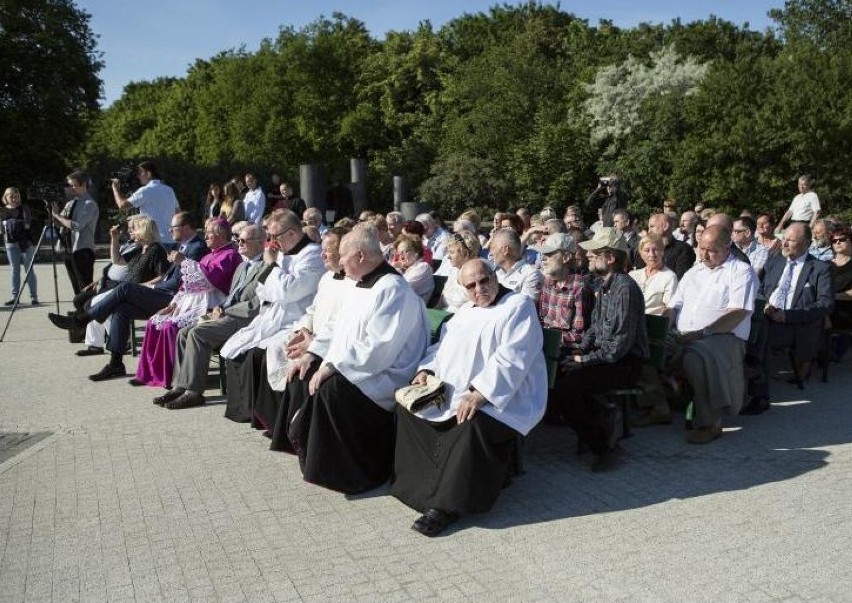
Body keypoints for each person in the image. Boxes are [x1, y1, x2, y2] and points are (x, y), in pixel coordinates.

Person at [391, 259, 547, 536]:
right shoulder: (464, 312)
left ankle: (447, 506)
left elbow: (512, 359)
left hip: (506, 398)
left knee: (469, 424)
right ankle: (417, 488)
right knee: (410, 410)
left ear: (495, 277)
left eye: (484, 280)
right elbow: (441, 346)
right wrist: (426, 370)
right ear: (463, 288)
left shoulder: (518, 306)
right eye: (471, 285)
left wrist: (480, 394)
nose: (479, 289)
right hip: (452, 391)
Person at [284, 224, 430, 494]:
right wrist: (313, 354)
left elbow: (378, 348)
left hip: (384, 375)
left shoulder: (393, 289)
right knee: (303, 372)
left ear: (360, 256)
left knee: (331, 390)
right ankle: (315, 456)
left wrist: (332, 366)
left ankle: (357, 473)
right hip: (356, 364)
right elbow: (334, 326)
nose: (339, 261)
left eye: (343, 255)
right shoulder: (357, 284)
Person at [48, 212, 209, 381]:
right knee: (120, 309)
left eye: (173, 228)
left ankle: (82, 320)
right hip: (164, 294)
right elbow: (119, 261)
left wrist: (152, 285)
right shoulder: (182, 246)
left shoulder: (196, 247)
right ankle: (115, 363)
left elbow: (180, 282)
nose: (169, 231)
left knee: (125, 288)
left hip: (174, 299)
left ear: (186, 228)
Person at [548, 228, 648, 470]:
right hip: (607, 358)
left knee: (566, 389)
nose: (588, 255)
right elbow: (593, 329)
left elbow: (618, 347)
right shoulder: (604, 285)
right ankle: (599, 420)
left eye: (594, 252)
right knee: (555, 370)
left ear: (610, 257)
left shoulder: (624, 288)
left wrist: (584, 361)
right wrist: (576, 351)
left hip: (624, 364)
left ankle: (605, 447)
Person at [219, 210, 325, 423]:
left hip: (296, 321)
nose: (271, 243)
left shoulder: (312, 255)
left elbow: (289, 291)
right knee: (235, 347)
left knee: (257, 354)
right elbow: (263, 289)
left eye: (274, 237)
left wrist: (271, 266)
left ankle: (265, 417)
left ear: (292, 234)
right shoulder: (283, 253)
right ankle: (243, 410)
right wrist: (274, 272)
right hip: (272, 315)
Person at [153, 224, 267, 409]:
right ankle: (180, 386)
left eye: (244, 240)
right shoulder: (243, 266)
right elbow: (232, 296)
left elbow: (256, 304)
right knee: (184, 332)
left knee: (198, 334)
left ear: (261, 243)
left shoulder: (266, 267)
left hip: (245, 319)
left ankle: (194, 392)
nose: (239, 243)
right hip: (227, 314)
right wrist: (219, 307)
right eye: (238, 240)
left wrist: (226, 311)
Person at [664, 225, 757, 443]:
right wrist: (664, 326)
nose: (704, 254)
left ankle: (711, 423)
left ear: (727, 247)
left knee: (695, 359)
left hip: (723, 338)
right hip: (684, 334)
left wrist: (702, 332)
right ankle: (659, 406)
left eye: (711, 250)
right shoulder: (694, 272)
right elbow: (673, 306)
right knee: (645, 346)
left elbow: (738, 313)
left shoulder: (741, 272)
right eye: (701, 248)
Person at [133, 218, 242, 388]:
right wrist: (172, 305)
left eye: (209, 232)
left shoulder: (230, 255)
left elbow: (208, 280)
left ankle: (171, 378)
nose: (205, 235)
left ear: (220, 235)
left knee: (170, 327)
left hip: (211, 305)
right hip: (189, 302)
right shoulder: (208, 255)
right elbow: (187, 286)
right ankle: (149, 374)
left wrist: (184, 261)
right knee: (154, 321)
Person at [749, 222, 833, 410]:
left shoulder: (820, 268)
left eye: (791, 240)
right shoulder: (775, 262)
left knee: (760, 336)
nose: (784, 244)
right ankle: (738, 381)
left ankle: (759, 395)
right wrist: (766, 305)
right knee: (740, 331)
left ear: (806, 243)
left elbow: (825, 305)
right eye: (783, 239)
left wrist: (788, 316)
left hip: (795, 324)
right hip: (767, 315)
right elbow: (760, 290)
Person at [76, 215, 169, 356]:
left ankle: (113, 341)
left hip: (142, 293)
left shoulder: (156, 249)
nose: (130, 232)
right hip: (127, 290)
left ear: (143, 230)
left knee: (97, 303)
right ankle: (96, 344)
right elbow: (116, 260)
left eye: (133, 229)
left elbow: (162, 276)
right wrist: (114, 238)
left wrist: (143, 285)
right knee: (94, 303)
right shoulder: (139, 249)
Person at [535, 232, 592, 349]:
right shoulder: (547, 283)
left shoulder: (579, 287)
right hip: (545, 344)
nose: (543, 259)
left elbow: (579, 334)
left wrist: (547, 339)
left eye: (549, 255)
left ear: (566, 258)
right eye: (543, 254)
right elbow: (542, 321)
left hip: (567, 350)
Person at [51, 171, 99, 296]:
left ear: (83, 185)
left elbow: (76, 225)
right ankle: (79, 311)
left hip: (82, 249)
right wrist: (53, 212)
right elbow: (60, 223)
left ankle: (88, 312)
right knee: (75, 284)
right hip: (68, 248)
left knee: (85, 285)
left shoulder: (89, 204)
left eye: (73, 185)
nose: (70, 188)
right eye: (69, 185)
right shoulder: (70, 203)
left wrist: (57, 216)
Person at [111, 161, 179, 243]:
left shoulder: (145, 190)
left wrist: (115, 189)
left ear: (148, 173)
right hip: (171, 239)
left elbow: (122, 205)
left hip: (155, 241)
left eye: (140, 172)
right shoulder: (169, 190)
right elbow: (178, 212)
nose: (138, 176)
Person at [1, 187, 38, 305]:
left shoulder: (24, 208)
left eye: (16, 196)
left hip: (26, 243)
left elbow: (27, 225)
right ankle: (15, 297)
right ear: (5, 197)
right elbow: (1, 230)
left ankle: (34, 297)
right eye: (11, 196)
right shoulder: (2, 210)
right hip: (10, 244)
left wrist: (9, 223)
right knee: (14, 270)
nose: (14, 198)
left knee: (29, 269)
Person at [629, 233, 679, 316]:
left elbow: (670, 308)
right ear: (640, 253)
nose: (651, 254)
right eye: (647, 250)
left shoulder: (669, 277)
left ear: (662, 251)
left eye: (655, 249)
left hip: (653, 323)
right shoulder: (633, 275)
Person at [635, 213, 695, 280]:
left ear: (665, 226)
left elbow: (681, 279)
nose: (649, 231)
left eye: (652, 226)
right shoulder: (646, 250)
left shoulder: (684, 249)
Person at [490, 228, 543, 301]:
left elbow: (525, 307)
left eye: (493, 248)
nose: (491, 253)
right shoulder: (493, 273)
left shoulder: (531, 275)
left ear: (505, 250)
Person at [436, 232, 482, 313]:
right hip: (443, 316)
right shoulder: (454, 271)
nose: (448, 256)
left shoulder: (477, 275)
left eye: (452, 252)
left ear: (465, 253)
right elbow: (441, 301)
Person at [390, 234, 434, 303]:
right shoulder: (404, 269)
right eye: (399, 253)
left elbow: (401, 288)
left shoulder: (423, 267)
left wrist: (392, 270)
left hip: (415, 309)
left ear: (416, 252)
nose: (401, 256)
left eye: (404, 252)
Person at [830, 227, 852, 330]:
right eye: (834, 241)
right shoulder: (826, 265)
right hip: (825, 318)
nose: (837, 242)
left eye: (842, 239)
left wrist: (831, 296)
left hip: (847, 319)